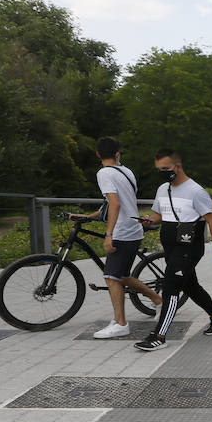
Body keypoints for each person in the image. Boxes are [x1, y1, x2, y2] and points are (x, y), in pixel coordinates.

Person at [134, 148, 212, 352]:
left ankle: (159, 335)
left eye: (166, 168)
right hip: (170, 246)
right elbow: (158, 214)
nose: (162, 172)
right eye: (159, 169)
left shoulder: (196, 191)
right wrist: (149, 221)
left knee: (171, 288)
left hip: (188, 248)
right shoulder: (162, 189)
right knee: (190, 286)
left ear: (178, 166)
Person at [72, 137, 161, 339]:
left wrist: (109, 234)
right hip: (132, 228)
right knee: (120, 276)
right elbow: (113, 204)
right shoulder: (126, 172)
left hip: (123, 232)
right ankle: (158, 301)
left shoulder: (104, 173)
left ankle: (121, 324)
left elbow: (115, 204)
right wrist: (87, 217)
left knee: (111, 277)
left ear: (98, 154)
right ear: (118, 154)